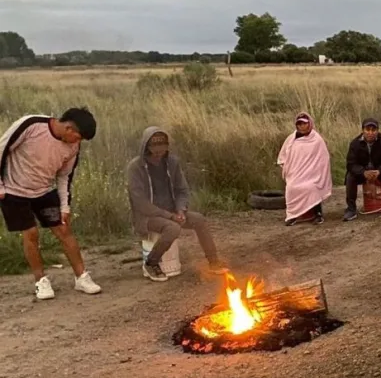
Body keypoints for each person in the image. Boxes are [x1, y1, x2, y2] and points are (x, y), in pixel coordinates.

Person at [0, 107, 102, 299]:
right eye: (78, 137)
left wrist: (65, 206)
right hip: (14, 191)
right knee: (31, 233)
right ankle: (41, 281)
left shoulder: (73, 147)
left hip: (44, 191)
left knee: (63, 229)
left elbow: (65, 176)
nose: (78, 143)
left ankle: (82, 277)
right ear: (69, 129)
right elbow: (2, 148)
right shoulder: (31, 125)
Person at [126, 127, 228, 281]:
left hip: (172, 211)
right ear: (146, 147)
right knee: (172, 228)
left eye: (162, 147)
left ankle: (213, 261)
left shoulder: (172, 162)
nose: (159, 152)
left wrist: (181, 210)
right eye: (154, 148)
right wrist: (170, 216)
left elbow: (182, 190)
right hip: (146, 217)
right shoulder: (135, 167)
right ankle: (151, 263)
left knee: (199, 219)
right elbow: (141, 204)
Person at [277, 112, 332, 226]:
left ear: (309, 124)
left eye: (304, 123)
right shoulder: (291, 139)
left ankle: (318, 214)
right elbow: (283, 156)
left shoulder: (316, 139)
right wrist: (287, 167)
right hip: (295, 174)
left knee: (312, 187)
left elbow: (323, 158)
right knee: (291, 187)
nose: (302, 126)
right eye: (299, 124)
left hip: (312, 175)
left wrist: (315, 173)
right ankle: (292, 215)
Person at [344, 118, 381, 220]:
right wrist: (363, 172)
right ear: (363, 130)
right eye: (367, 129)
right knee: (350, 176)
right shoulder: (355, 144)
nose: (370, 133)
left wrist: (380, 171)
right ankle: (351, 209)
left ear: (377, 131)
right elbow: (351, 164)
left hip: (380, 171)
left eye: (373, 130)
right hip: (363, 172)